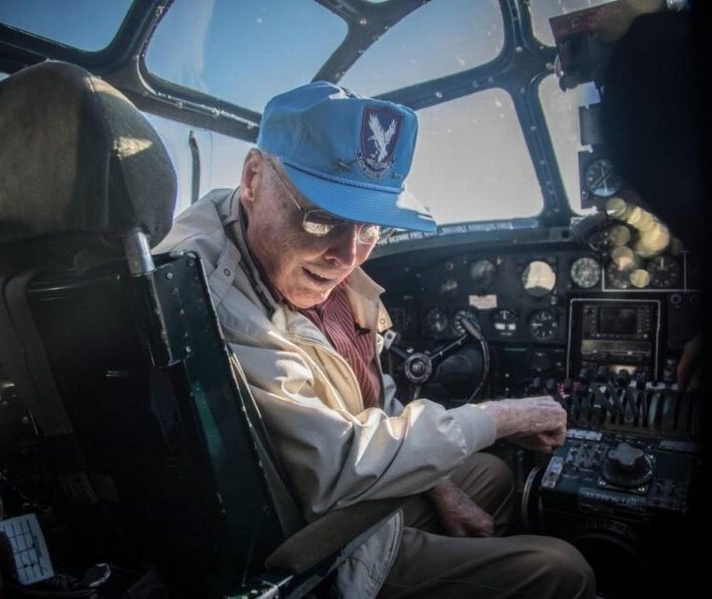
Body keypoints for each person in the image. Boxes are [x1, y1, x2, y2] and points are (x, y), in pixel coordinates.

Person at [156, 82, 595, 598]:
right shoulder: (208, 295)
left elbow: (370, 395)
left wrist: (440, 484)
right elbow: (339, 466)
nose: (348, 257)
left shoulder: (302, 263)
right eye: (321, 217)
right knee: (562, 570)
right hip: (325, 547)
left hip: (355, 493)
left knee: (492, 477)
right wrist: (500, 418)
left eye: (371, 228)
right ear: (254, 177)